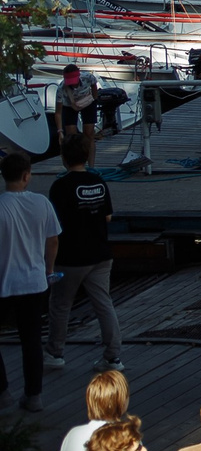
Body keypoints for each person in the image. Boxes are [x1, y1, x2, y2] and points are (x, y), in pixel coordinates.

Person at [46, 133, 118, 372]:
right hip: (100, 253)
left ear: (64, 159)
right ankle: (113, 357)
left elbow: (54, 224)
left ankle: (55, 353)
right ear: (87, 157)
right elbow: (107, 216)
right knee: (104, 304)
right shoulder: (99, 182)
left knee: (60, 305)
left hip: (71, 257)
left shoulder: (60, 186)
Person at [0, 150, 61, 412]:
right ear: (27, 176)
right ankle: (33, 395)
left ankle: (2, 392)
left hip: (4, 283)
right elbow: (53, 239)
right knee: (32, 341)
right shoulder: (42, 203)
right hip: (35, 282)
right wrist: (48, 270)